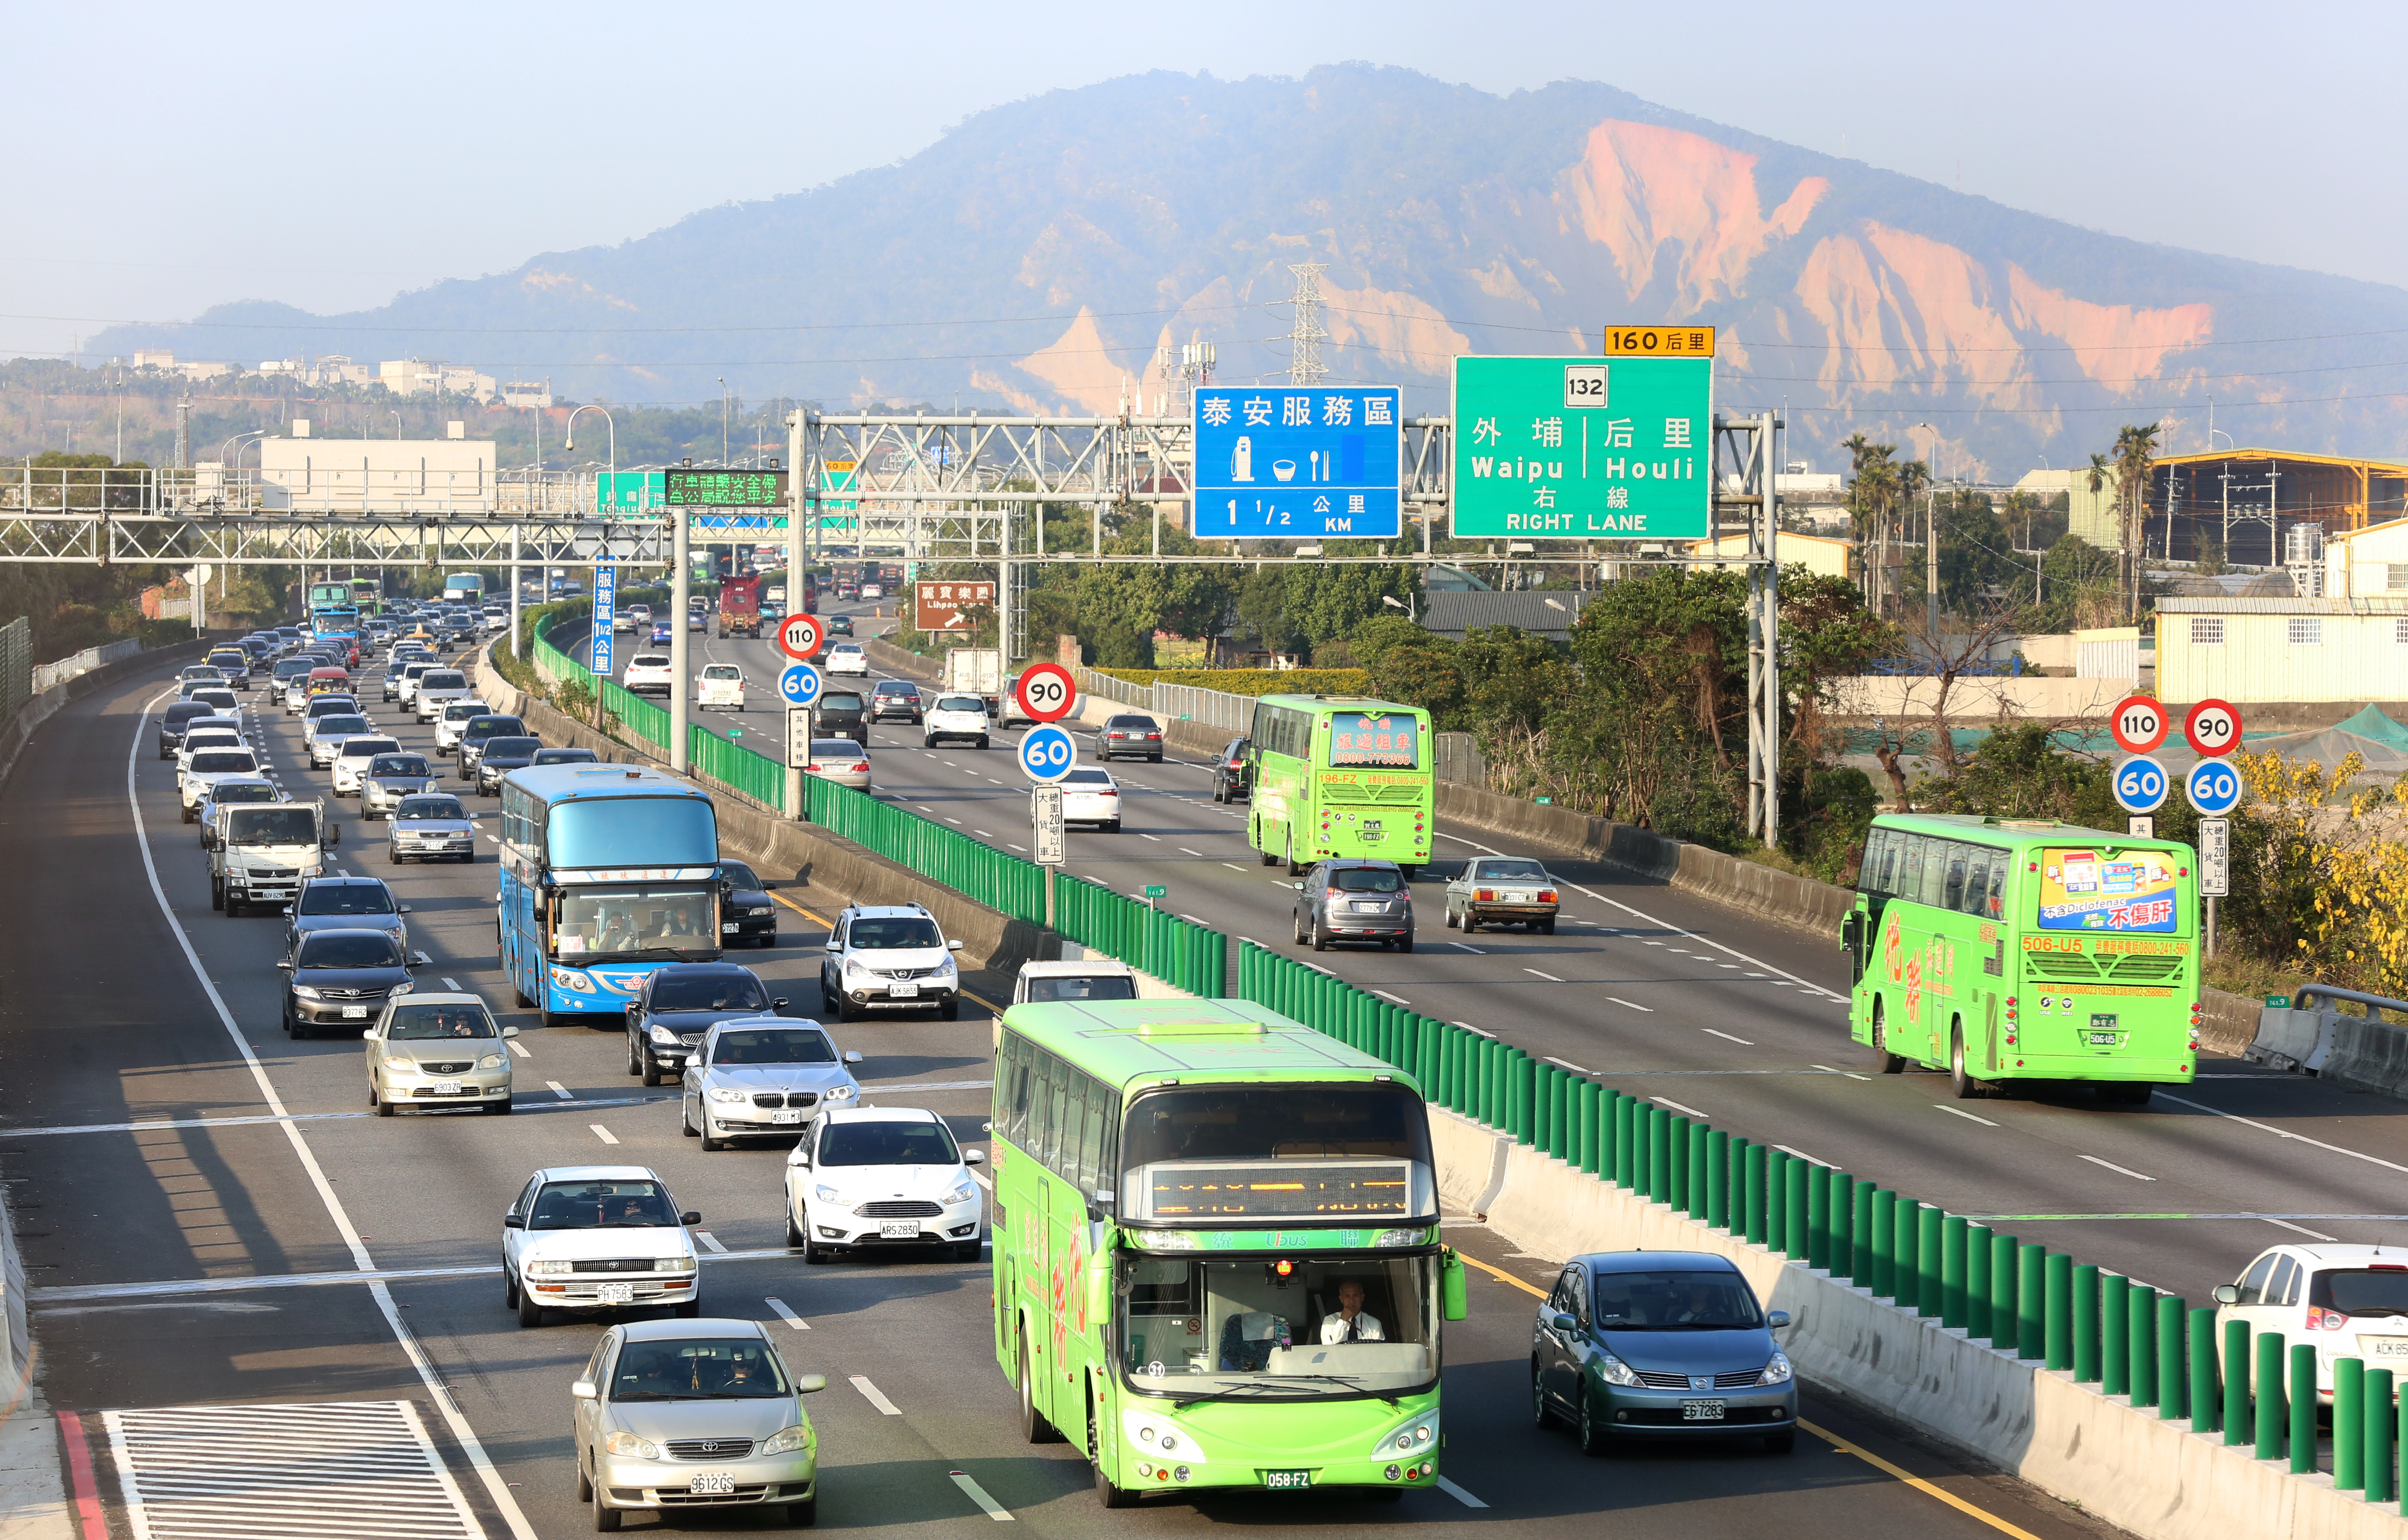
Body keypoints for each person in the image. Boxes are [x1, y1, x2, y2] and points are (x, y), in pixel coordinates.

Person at [1319, 1279, 1385, 1344]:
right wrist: (1343, 1321)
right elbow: (1328, 1345)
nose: (1352, 1301)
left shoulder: (1373, 1323)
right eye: (1347, 1296)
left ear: (1362, 1298)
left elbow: (1379, 1351)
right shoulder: (1330, 1321)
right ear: (1341, 1299)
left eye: (1355, 1296)